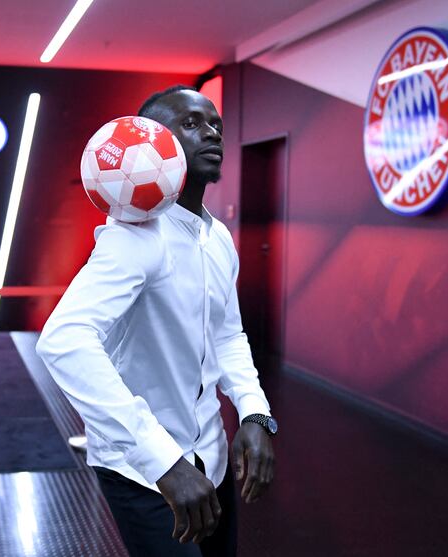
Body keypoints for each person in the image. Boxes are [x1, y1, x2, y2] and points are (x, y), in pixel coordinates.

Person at [35, 85, 277, 557]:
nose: (211, 132)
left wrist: (254, 411)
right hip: (147, 472)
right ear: (154, 141)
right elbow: (64, 341)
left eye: (215, 124)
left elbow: (228, 335)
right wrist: (163, 460)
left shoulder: (217, 236)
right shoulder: (136, 238)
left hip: (211, 458)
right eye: (191, 124)